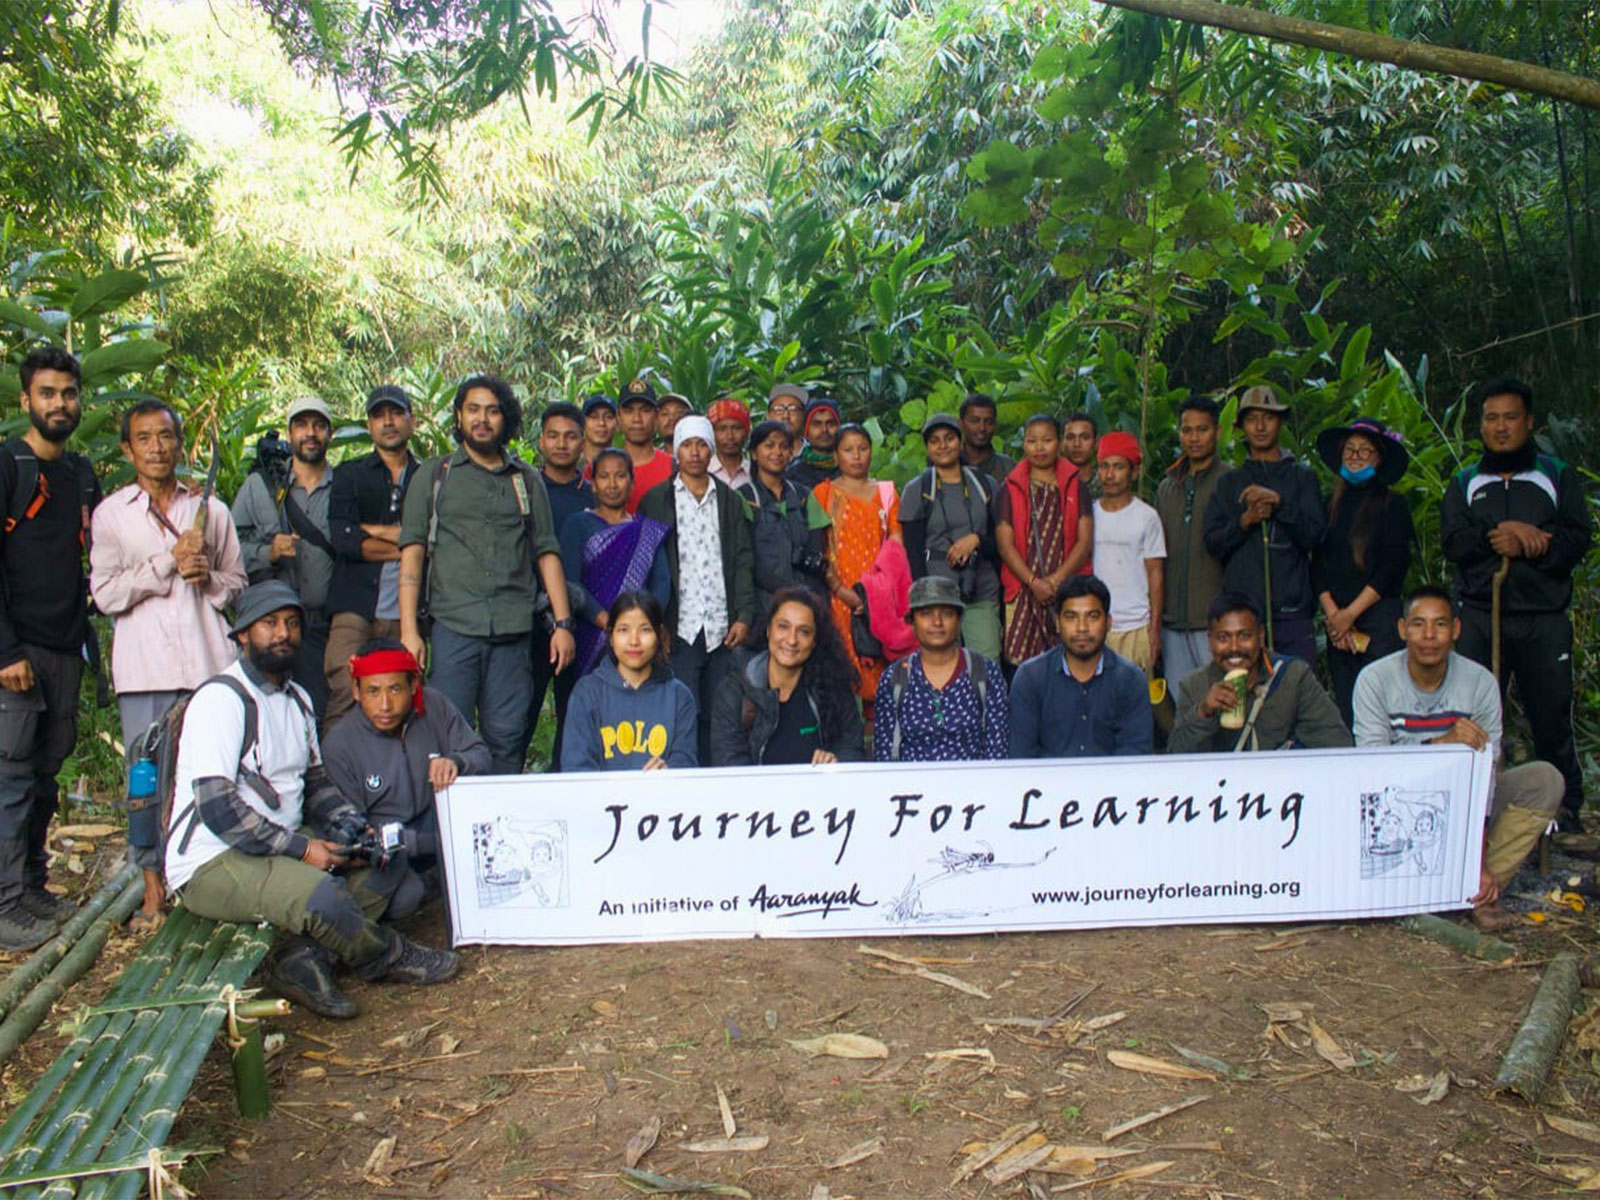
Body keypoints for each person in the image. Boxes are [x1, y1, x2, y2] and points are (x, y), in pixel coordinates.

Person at [166, 582, 459, 1020]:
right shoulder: (221, 699)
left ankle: (303, 958)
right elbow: (219, 809)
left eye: (291, 623)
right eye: (269, 624)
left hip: (275, 841)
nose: (282, 633)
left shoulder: (298, 699)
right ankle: (387, 956)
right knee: (323, 897)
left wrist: (352, 825)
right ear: (243, 635)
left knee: (383, 861)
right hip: (214, 858)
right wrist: (303, 850)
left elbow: (316, 782)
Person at [1352, 586, 1564, 931]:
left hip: (1466, 801)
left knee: (1545, 781)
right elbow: (1373, 767)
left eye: (1440, 624)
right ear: (1403, 629)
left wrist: (1477, 862)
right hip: (1401, 805)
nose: (1429, 635)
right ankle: (1425, 888)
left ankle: (1476, 887)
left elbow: (1487, 773)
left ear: (1456, 630)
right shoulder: (1375, 679)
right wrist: (1441, 745)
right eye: (1418, 624)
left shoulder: (1479, 682)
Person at [397, 375, 575, 774]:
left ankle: (501, 813)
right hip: (453, 627)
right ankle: (449, 816)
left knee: (508, 738)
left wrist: (563, 625)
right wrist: (409, 631)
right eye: (473, 410)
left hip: (513, 631)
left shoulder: (525, 480)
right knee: (446, 737)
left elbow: (547, 552)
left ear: (504, 418)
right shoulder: (435, 475)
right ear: (459, 416)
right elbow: (412, 556)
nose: (482, 419)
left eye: (492, 411)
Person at [1441, 377, 1593, 834]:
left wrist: (1533, 546)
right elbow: (1454, 542)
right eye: (1492, 418)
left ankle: (1564, 810)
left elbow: (1577, 538)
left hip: (1542, 618)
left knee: (1551, 713)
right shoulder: (1466, 481)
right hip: (1480, 615)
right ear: (1481, 425)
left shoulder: (1555, 475)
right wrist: (1502, 535)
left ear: (1528, 422)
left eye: (1510, 417)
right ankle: (1473, 809)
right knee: (1473, 715)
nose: (1501, 427)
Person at [0, 347, 102, 948]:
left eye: (68, 393)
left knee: (44, 774)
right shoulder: (8, 466)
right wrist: (5, 651)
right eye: (47, 393)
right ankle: (6, 902)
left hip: (65, 646)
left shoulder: (80, 475)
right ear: (26, 400)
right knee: (10, 777)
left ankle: (32, 884)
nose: (59, 404)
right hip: (18, 650)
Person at [91, 399, 248, 750]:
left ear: (179, 444)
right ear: (128, 450)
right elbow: (105, 595)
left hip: (210, 667)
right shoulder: (111, 515)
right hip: (144, 675)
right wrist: (168, 562)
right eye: (143, 438)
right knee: (148, 775)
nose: (156, 448)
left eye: (165, 436)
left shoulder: (211, 509)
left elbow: (239, 586)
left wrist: (208, 579)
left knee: (212, 771)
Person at [322, 639, 490, 923]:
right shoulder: (340, 745)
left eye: (395, 689)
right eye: (373, 691)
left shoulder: (435, 706)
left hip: (435, 819)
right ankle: (433, 882)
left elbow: (481, 755)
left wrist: (455, 762)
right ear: (356, 691)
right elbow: (355, 833)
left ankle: (445, 874)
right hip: (388, 847)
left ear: (414, 686)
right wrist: (424, 843)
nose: (385, 705)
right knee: (405, 898)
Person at [637, 417, 757, 763]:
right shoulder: (656, 500)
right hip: (679, 627)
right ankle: (681, 775)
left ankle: (716, 779)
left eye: (702, 445)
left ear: (711, 451)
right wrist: (656, 623)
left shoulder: (729, 500)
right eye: (687, 445)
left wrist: (744, 615)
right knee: (681, 707)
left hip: (721, 626)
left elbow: (743, 560)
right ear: (676, 451)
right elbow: (646, 565)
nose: (694, 452)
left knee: (721, 712)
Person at [231, 396, 338, 718]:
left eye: (319, 426)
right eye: (302, 425)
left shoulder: (345, 486)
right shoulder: (260, 486)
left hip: (327, 626)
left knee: (322, 711)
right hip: (273, 628)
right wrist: (268, 553)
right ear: (289, 433)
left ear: (330, 434)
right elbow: (228, 551)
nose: (310, 433)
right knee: (271, 711)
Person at [1203, 385, 1326, 663]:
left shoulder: (1302, 477)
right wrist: (1244, 521)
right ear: (1242, 427)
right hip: (1243, 614)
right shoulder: (1229, 483)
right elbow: (1213, 543)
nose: (1260, 427)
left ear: (1280, 423)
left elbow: (1315, 536)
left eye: (1268, 418)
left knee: (1296, 684)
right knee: (1244, 685)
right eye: (1252, 419)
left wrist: (1279, 505)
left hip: (1292, 612)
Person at [324, 385, 419, 726]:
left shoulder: (427, 477)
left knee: (402, 702)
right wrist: (409, 546)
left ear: (412, 421)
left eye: (396, 414)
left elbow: (435, 540)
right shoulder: (350, 474)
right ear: (369, 426)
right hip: (354, 605)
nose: (388, 422)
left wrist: (370, 530)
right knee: (344, 690)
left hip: (409, 614)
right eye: (379, 416)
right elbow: (345, 539)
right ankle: (336, 761)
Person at [1312, 417, 1414, 727]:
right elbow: (1316, 562)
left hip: (1378, 619)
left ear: (1378, 459)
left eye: (1364, 451)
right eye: (1350, 450)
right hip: (1338, 625)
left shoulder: (1393, 505)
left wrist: (1351, 614)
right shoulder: (1329, 504)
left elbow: (1392, 568)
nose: (1355, 457)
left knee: (1382, 709)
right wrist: (1334, 616)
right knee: (1348, 709)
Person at [1169, 593, 1350, 753]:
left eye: (1244, 636)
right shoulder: (1194, 686)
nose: (1234, 647)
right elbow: (1177, 758)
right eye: (1223, 638)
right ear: (1210, 641)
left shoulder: (1293, 676)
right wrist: (1203, 712)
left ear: (1261, 636)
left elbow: (1337, 742)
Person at [710, 587, 865, 766]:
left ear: (815, 641)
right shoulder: (735, 691)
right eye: (783, 627)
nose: (792, 640)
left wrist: (836, 762)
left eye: (804, 631)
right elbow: (730, 765)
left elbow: (852, 748)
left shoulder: (833, 687)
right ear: (768, 630)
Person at [1009, 575, 1153, 758]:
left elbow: (1136, 753)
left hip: (1112, 778)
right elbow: (1022, 755)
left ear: (1108, 622)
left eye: (1092, 617)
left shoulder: (1131, 680)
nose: (1082, 628)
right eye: (1071, 617)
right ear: (1057, 623)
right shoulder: (1030, 678)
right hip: (1048, 778)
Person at [899, 413, 1003, 663]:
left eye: (949, 438)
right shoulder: (918, 489)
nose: (942, 445)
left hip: (981, 588)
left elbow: (1002, 541)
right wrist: (924, 601)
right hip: (937, 595)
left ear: (961, 441)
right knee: (942, 664)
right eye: (934, 441)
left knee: (987, 664)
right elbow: (912, 552)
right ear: (927, 447)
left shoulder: (984, 484)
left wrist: (976, 540)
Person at [560, 448, 671, 681]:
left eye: (620, 476)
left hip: (639, 639)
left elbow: (662, 583)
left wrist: (645, 624)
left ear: (631, 483)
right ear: (593, 484)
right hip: (588, 635)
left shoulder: (647, 531)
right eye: (604, 476)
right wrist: (607, 621)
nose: (612, 484)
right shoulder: (577, 524)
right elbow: (570, 582)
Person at [874, 576, 1009, 763]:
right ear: (912, 621)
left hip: (974, 781)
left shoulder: (985, 673)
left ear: (959, 619)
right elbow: (885, 755)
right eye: (926, 614)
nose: (937, 622)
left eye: (946, 613)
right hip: (910, 781)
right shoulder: (894, 678)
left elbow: (998, 752)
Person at [561, 590, 699, 771]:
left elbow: (686, 762)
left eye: (645, 630)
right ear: (611, 636)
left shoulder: (679, 696)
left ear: (659, 635)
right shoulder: (587, 692)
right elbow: (576, 766)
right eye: (623, 630)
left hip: (660, 790)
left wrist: (668, 772)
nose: (634, 641)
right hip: (600, 791)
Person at [995, 414, 1093, 670]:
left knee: (1069, 662)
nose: (1039, 448)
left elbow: (1084, 542)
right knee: (1021, 667)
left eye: (1047, 440)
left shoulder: (1075, 485)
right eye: (1032, 441)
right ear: (1024, 444)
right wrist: (1034, 582)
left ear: (1059, 443)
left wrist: (1055, 581)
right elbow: (1005, 545)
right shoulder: (1010, 488)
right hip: (1023, 589)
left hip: (1066, 586)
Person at [814, 422, 902, 701]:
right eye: (848, 450)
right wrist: (841, 591)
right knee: (843, 669)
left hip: (880, 599)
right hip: (837, 596)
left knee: (882, 672)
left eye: (863, 448)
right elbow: (818, 549)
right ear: (836, 455)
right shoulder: (823, 494)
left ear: (871, 452)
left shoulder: (887, 493)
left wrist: (877, 594)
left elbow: (896, 547)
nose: (856, 456)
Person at [528, 401, 595, 765]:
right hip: (529, 617)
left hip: (580, 620)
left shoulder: (593, 495)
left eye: (570, 437)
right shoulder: (525, 488)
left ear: (583, 442)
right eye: (553, 436)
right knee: (522, 712)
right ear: (541, 441)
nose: (561, 444)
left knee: (575, 714)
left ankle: (564, 779)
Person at [1156, 397, 1228, 686]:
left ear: (1217, 432)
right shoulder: (1167, 487)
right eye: (1187, 430)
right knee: (1182, 701)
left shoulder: (1230, 481)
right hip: (1172, 622)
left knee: (1224, 698)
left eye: (1202, 430)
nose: (1194, 438)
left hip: (1216, 619)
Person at [743, 419, 830, 638]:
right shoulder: (743, 498)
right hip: (763, 607)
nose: (777, 452)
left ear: (791, 453)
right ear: (754, 453)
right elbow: (745, 559)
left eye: (784, 446)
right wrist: (788, 592)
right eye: (769, 445)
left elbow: (816, 550)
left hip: (806, 604)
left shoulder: (804, 495)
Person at [1093, 432, 1165, 674]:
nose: (1110, 475)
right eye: (1104, 466)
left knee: (1138, 693)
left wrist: (1154, 630)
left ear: (1134, 473)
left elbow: (1155, 574)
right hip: (1097, 625)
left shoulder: (1147, 517)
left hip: (1138, 626)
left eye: (1118, 467)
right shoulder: (1089, 515)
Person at [616, 379, 673, 514]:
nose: (637, 419)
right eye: (629, 411)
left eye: (645, 411)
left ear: (656, 416)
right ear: (618, 417)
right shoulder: (599, 469)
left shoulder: (675, 468)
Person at [786, 397, 843, 493]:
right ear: (806, 432)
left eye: (830, 424)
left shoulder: (851, 468)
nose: (824, 430)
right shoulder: (792, 474)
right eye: (817, 424)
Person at [960, 392, 1015, 486]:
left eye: (989, 422)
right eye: (974, 421)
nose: (982, 428)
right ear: (961, 423)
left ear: (995, 426)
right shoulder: (949, 464)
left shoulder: (1008, 467)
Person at [708, 397, 752, 493]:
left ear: (746, 432)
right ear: (712, 433)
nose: (730, 436)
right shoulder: (704, 471)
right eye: (722, 429)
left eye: (736, 428)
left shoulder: (755, 472)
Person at [1062, 412, 1100, 498]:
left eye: (1085, 438)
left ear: (1096, 443)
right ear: (1062, 444)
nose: (1077, 444)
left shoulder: (1107, 486)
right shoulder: (1050, 488)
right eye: (1070, 438)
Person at [580, 393, 618, 469]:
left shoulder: (624, 465)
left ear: (618, 423)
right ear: (582, 422)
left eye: (608, 417)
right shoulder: (568, 462)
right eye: (594, 417)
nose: (601, 423)